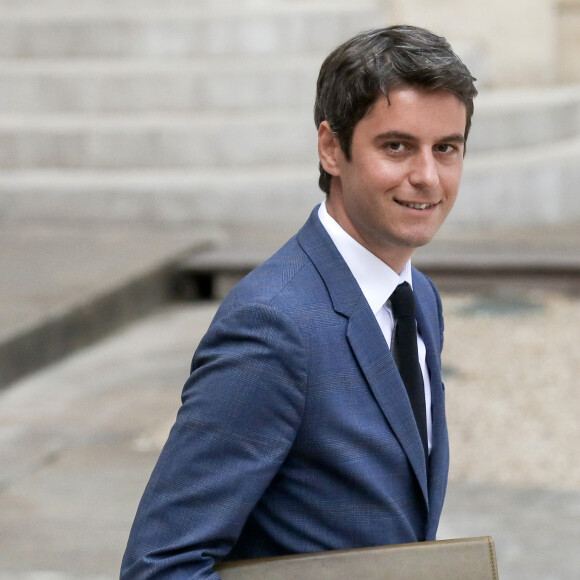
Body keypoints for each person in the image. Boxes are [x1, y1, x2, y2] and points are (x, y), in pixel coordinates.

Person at [121, 24, 477, 579]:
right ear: (332, 148)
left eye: (446, 149)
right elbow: (160, 566)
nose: (427, 177)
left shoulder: (418, 297)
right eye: (396, 146)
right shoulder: (272, 325)